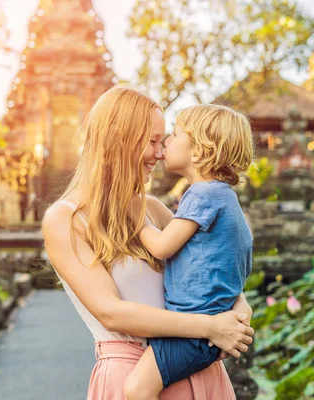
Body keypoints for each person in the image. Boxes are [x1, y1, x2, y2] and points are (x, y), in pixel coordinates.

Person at [42, 87, 254, 399]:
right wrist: (210, 327)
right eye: (153, 141)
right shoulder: (66, 220)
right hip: (133, 375)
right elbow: (111, 313)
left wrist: (239, 304)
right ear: (119, 139)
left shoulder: (151, 207)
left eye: (163, 139)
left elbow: (212, 259)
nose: (160, 152)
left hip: (197, 369)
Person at [123, 104, 255, 400]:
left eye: (174, 135)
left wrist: (136, 216)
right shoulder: (223, 196)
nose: (166, 143)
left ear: (198, 152)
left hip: (194, 328)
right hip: (206, 325)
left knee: (136, 390)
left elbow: (161, 246)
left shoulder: (202, 193)